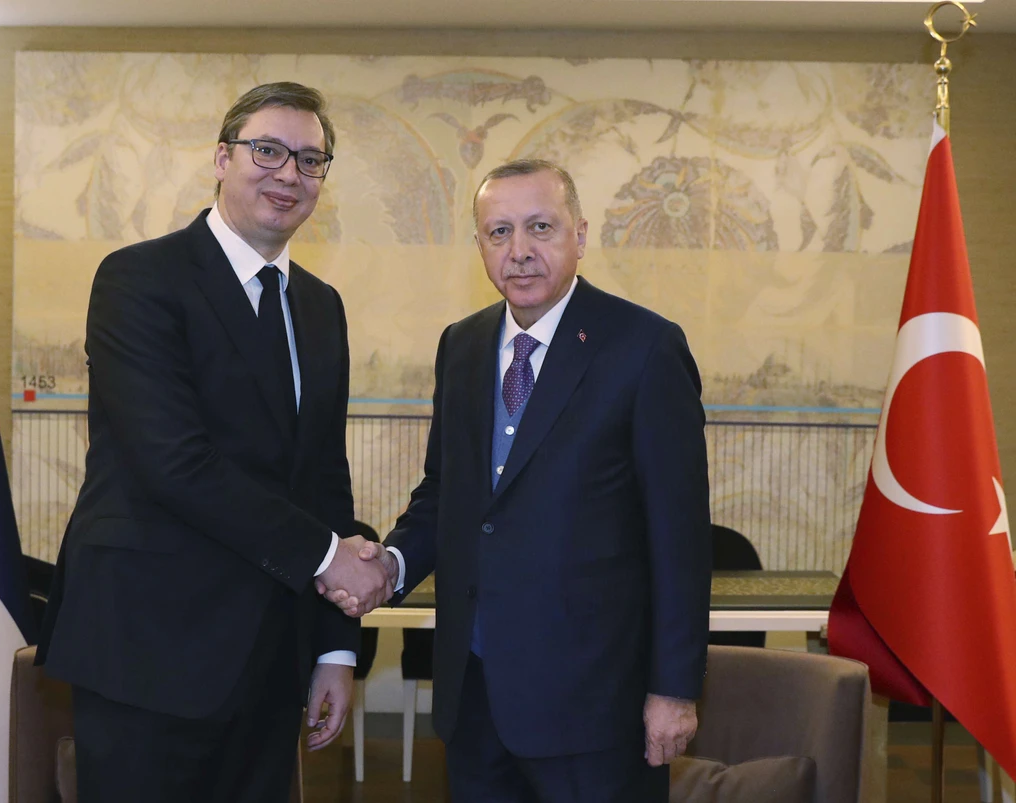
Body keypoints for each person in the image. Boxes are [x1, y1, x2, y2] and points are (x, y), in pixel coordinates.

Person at [35, 82, 392, 803]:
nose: (289, 173)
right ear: (222, 159)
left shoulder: (320, 307)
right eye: (268, 151)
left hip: (270, 656)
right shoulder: (139, 279)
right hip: (147, 647)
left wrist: (335, 648)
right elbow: (175, 463)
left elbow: (324, 477)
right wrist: (329, 557)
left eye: (310, 159)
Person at [321, 159, 712, 801]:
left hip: (595, 707)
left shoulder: (645, 348)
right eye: (499, 232)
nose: (520, 250)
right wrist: (391, 564)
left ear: (580, 235)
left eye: (540, 227)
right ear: (479, 245)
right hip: (474, 699)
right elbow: (445, 495)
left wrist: (673, 690)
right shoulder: (463, 345)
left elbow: (680, 537)